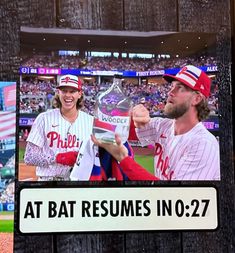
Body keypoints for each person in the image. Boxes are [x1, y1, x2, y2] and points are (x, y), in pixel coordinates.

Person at [92, 65, 220, 180]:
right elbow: (121, 131)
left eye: (179, 88)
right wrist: (132, 116)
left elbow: (177, 197)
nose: (170, 92)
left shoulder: (203, 144)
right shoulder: (163, 125)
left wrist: (124, 159)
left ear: (197, 98)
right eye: (172, 86)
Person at [24, 74, 94, 181]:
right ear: (58, 93)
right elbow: (29, 156)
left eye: (72, 91)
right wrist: (56, 158)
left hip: (79, 182)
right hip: (48, 181)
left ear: (79, 94)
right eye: (64, 91)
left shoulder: (90, 121)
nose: (67, 95)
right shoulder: (44, 118)